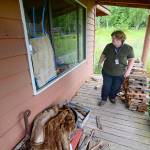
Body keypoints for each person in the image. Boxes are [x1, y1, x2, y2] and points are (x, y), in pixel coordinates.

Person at [99, 30, 135, 105]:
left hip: (120, 73)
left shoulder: (128, 48)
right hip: (107, 71)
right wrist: (99, 63)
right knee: (106, 87)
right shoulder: (108, 46)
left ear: (120, 39)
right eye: (112, 38)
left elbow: (131, 60)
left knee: (116, 87)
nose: (112, 40)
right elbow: (103, 55)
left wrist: (128, 71)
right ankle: (104, 99)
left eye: (114, 39)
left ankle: (112, 97)